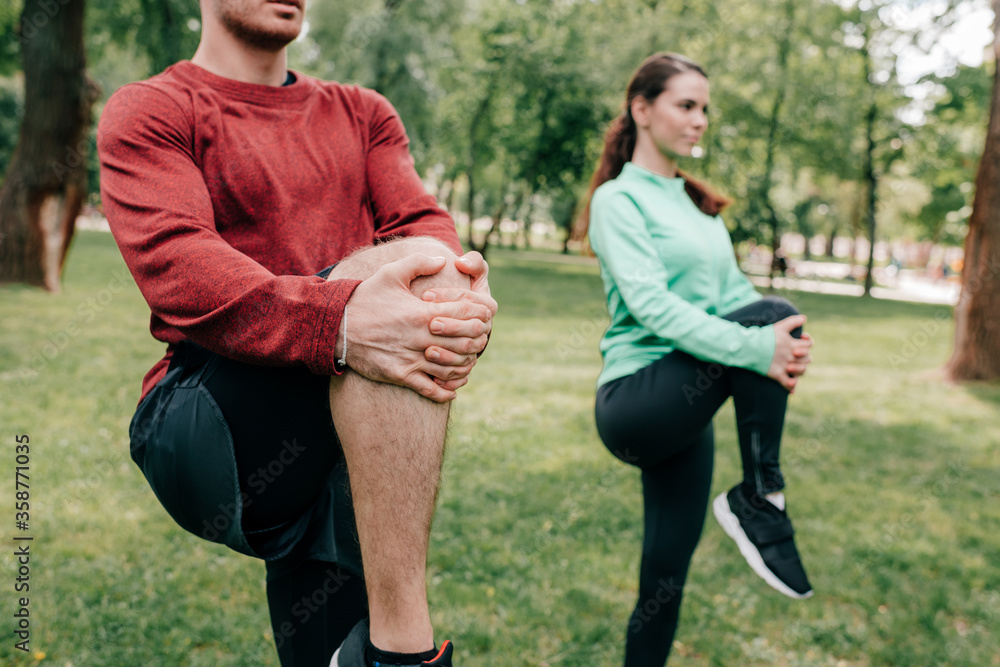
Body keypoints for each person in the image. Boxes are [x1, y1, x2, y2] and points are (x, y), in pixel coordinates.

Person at [97, 1, 497, 666]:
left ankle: (363, 650)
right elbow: (180, 267)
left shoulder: (364, 113)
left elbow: (424, 224)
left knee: (416, 278)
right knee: (384, 275)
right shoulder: (152, 109)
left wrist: (454, 299)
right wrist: (341, 318)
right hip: (207, 421)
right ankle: (403, 651)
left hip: (341, 406)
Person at [582, 53, 815, 666]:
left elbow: (737, 297)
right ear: (642, 109)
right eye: (686, 105)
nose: (700, 119)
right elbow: (653, 307)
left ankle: (757, 501)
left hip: (687, 410)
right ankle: (761, 496)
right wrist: (756, 346)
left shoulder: (694, 204)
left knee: (664, 581)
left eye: (704, 108)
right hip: (638, 401)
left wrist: (784, 341)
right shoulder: (617, 200)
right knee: (770, 318)